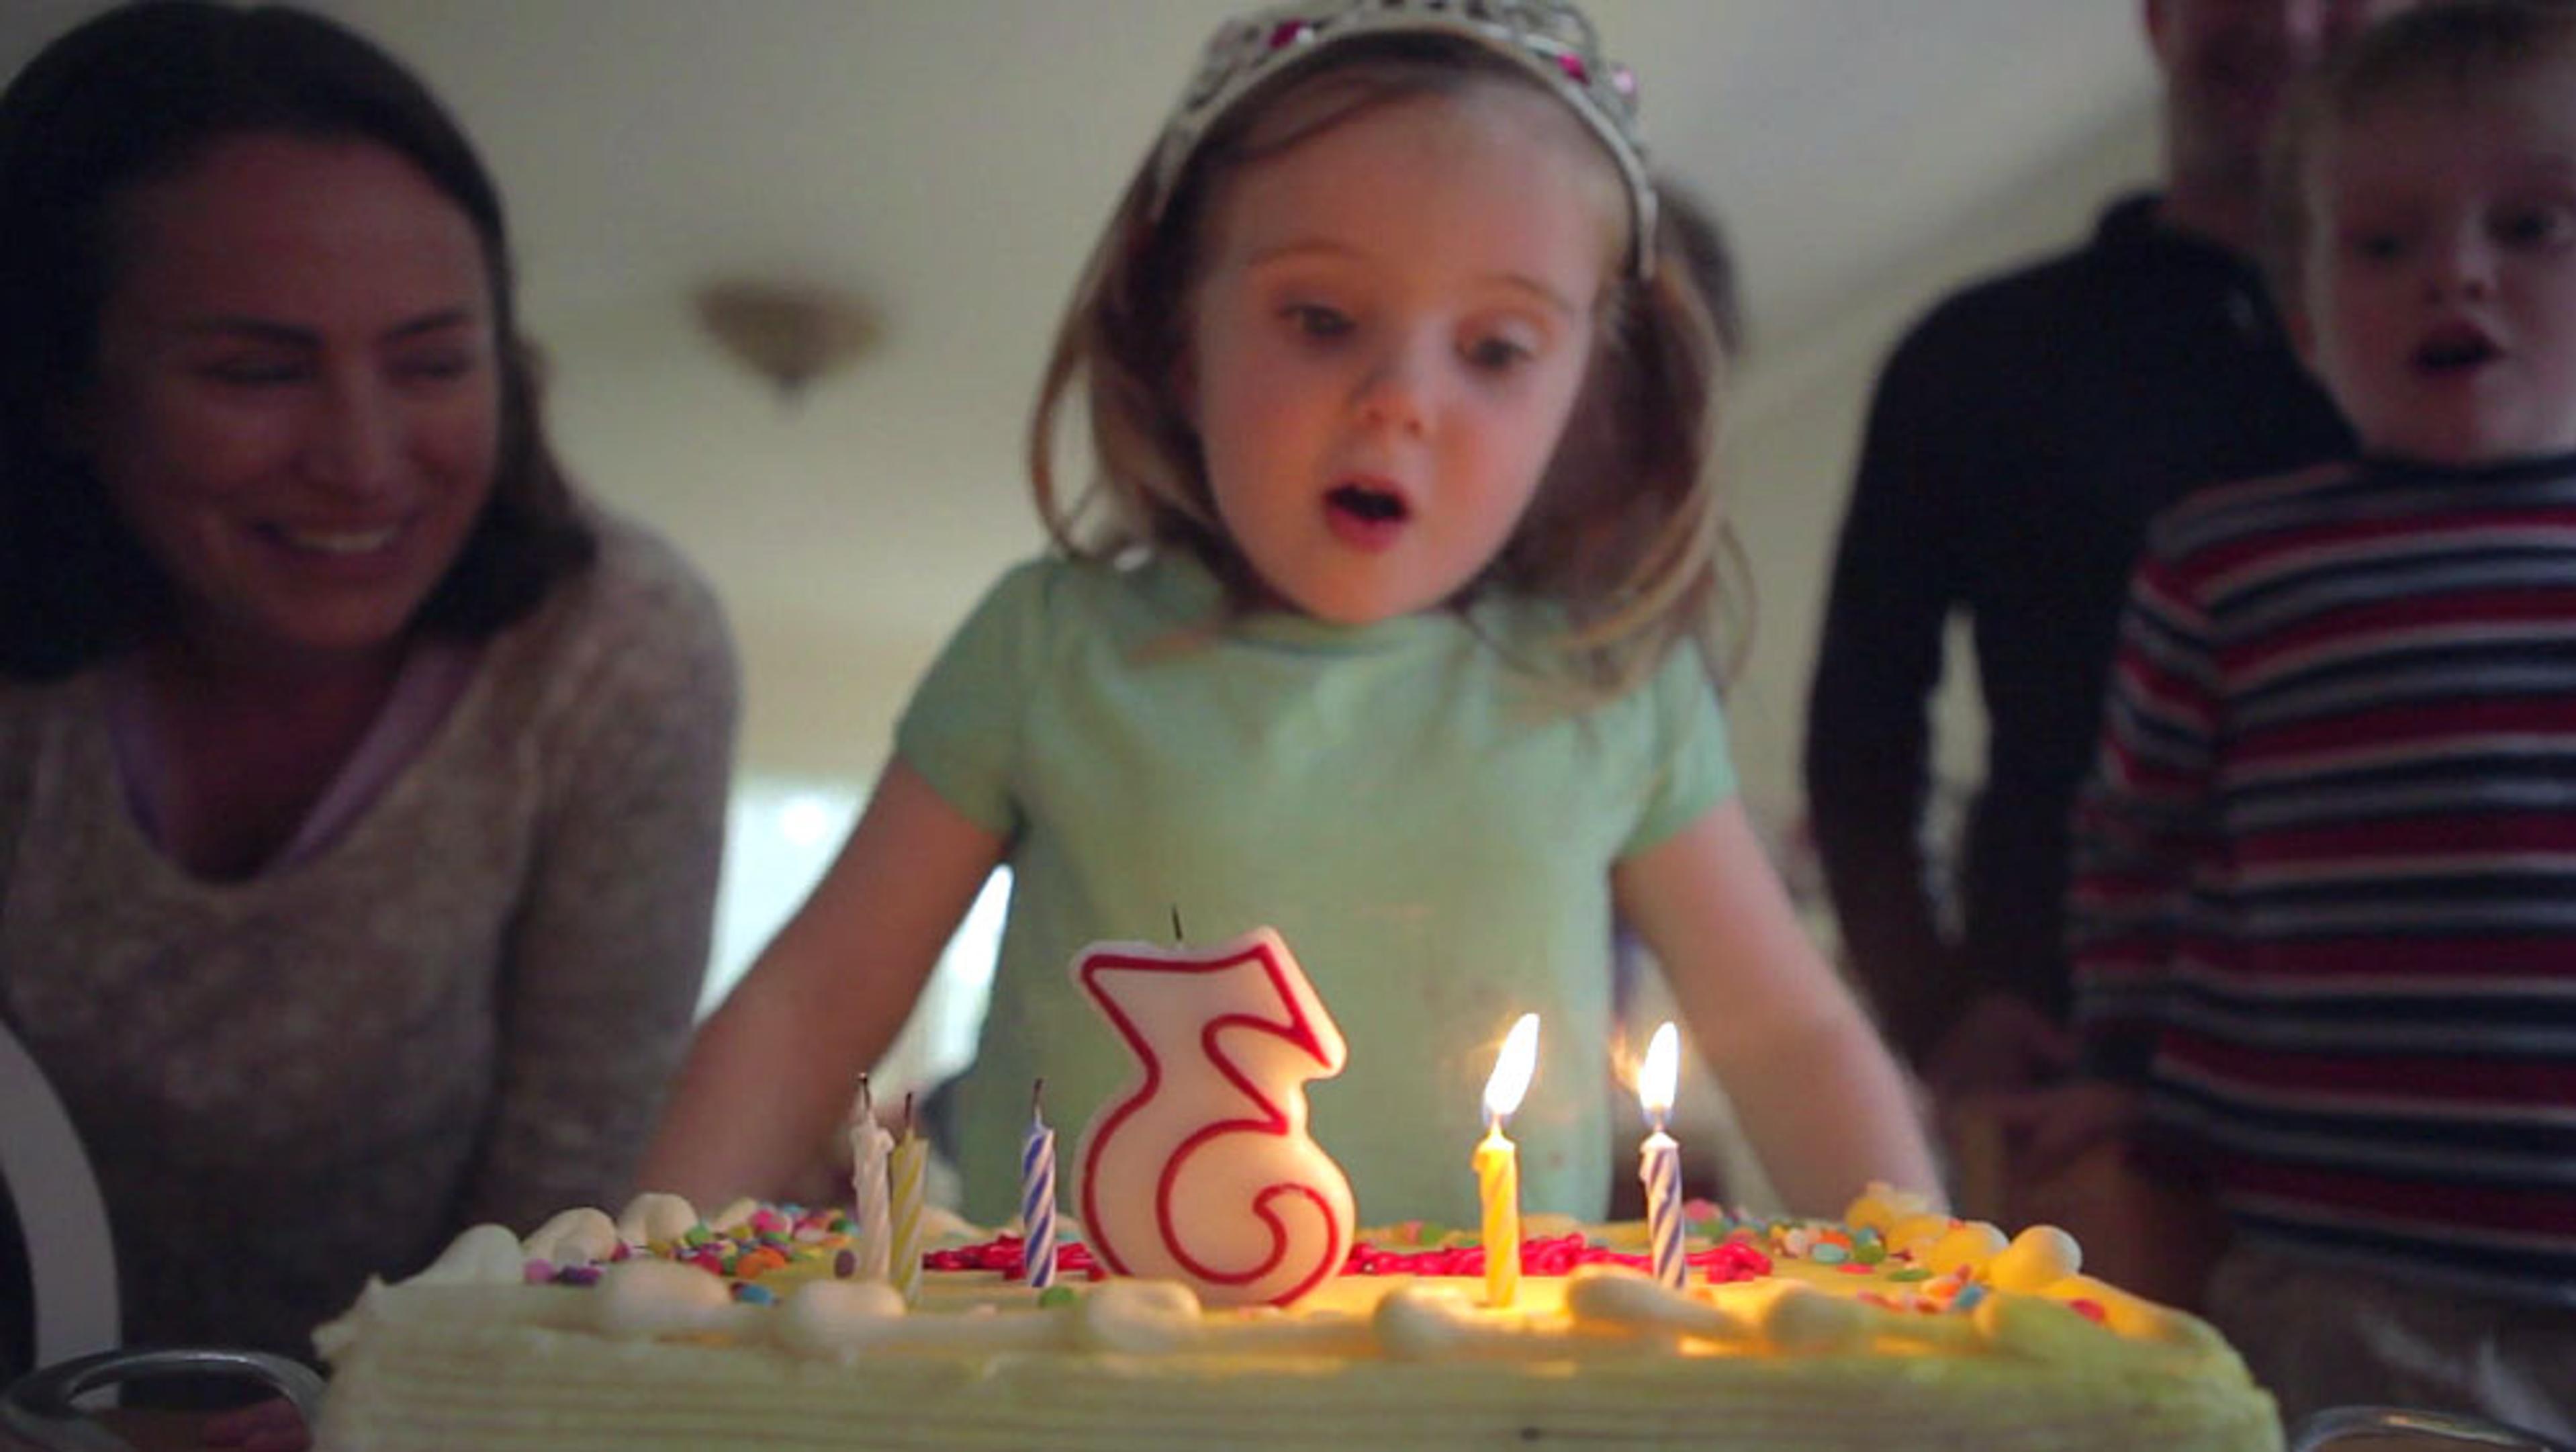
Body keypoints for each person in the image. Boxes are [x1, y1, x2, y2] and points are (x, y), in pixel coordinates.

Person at [643, 0, 1939, 1232]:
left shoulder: (1617, 691)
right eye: (1321, 319)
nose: (1401, 399)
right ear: (1176, 334)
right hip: (1063, 1385)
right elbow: (814, 1004)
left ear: (1587, 395)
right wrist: (635, 1265)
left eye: (1494, 350)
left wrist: (1940, 1283)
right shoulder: (1047, 650)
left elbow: (1791, 1035)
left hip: (1484, 1400)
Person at [0, 0, 739, 1381]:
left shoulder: (614, 658)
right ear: (63, 388)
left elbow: (557, 1218)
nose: (362, 457)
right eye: (254, 371)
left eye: (434, 363)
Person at [2054, 1, 2576, 1436]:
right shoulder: (2223, 560)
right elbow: (2134, 843)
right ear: (2303, 312)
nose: (2456, 276)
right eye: (2385, 245)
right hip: (2331, 1275)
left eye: (2532, 226)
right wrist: (2116, 1067)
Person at [1801, 0, 2397, 1117]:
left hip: (2444, 1072)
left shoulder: (2508, 351)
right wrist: (1931, 1010)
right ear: (2159, 15)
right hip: (2066, 1068)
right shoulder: (1978, 357)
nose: (2293, 22)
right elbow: (1864, 727)